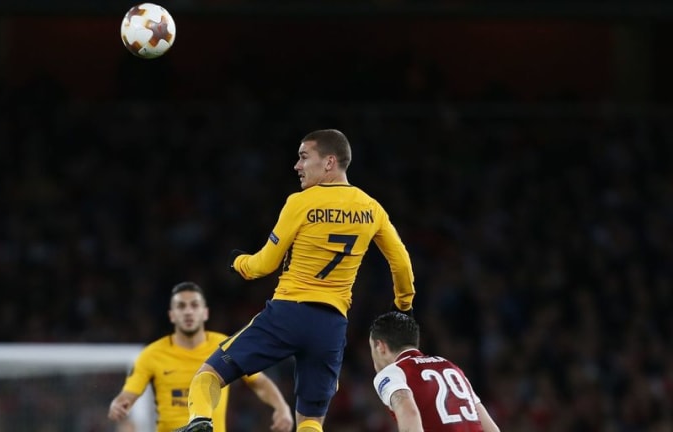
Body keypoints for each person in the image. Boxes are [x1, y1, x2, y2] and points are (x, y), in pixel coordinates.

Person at [175, 129, 416, 432]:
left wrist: (238, 263)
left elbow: (264, 265)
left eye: (303, 157)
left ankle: (200, 421)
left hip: (288, 313)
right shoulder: (372, 209)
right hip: (330, 327)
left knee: (209, 374)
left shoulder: (300, 202)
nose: (297, 165)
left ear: (329, 162)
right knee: (311, 420)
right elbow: (401, 262)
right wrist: (403, 305)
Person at [108, 281, 293, 432]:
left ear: (205, 313)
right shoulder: (152, 354)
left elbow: (259, 382)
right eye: (181, 306)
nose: (188, 311)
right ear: (172, 315)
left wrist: (281, 407)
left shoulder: (224, 347)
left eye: (194, 305)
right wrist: (119, 404)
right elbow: (129, 394)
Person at [369, 312, 501, 432]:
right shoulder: (451, 367)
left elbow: (409, 414)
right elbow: (491, 428)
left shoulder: (392, 372)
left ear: (380, 346)